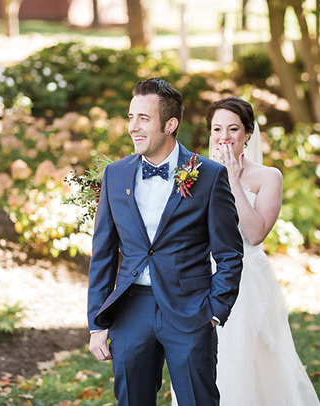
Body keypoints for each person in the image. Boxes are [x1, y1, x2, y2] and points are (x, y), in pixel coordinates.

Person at [87, 79, 244, 406]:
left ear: (170, 125)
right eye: (131, 117)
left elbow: (229, 253)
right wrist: (96, 322)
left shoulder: (210, 176)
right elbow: (102, 254)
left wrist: (214, 311)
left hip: (190, 310)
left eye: (143, 118)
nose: (133, 127)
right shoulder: (115, 175)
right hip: (130, 311)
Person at [174, 96, 320, 405]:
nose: (224, 137)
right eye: (217, 129)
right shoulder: (192, 173)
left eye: (233, 129)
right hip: (201, 280)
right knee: (198, 360)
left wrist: (231, 179)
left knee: (245, 362)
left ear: (248, 134)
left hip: (246, 283)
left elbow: (255, 233)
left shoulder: (269, 177)